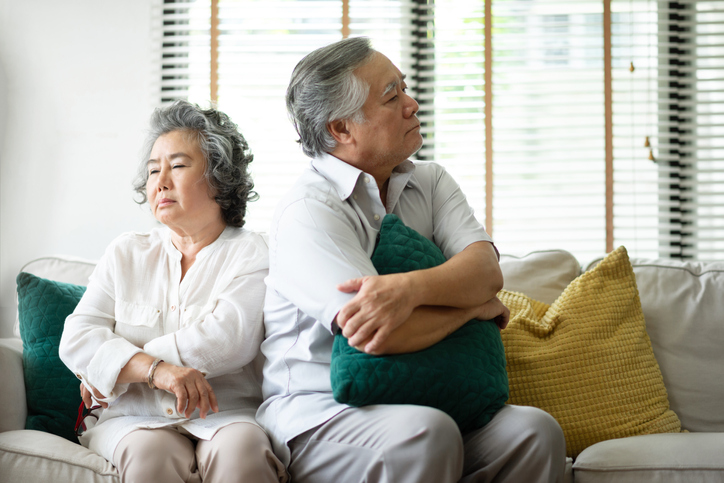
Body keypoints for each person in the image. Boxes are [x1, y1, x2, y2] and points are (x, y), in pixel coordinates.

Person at [257, 37, 566, 482]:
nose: (412, 103)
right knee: (427, 431)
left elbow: (485, 271)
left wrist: (408, 290)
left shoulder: (432, 181)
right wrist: (475, 309)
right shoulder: (308, 211)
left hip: (428, 397)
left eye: (403, 87)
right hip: (321, 413)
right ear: (342, 129)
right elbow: (379, 337)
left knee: (534, 431)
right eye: (392, 96)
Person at [59, 100, 287, 483]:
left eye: (178, 165)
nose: (160, 181)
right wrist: (155, 372)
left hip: (225, 414)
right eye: (152, 171)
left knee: (242, 452)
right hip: (133, 417)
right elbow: (77, 337)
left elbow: (228, 338)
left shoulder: (254, 251)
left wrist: (113, 367)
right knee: (150, 456)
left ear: (219, 176)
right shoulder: (126, 252)